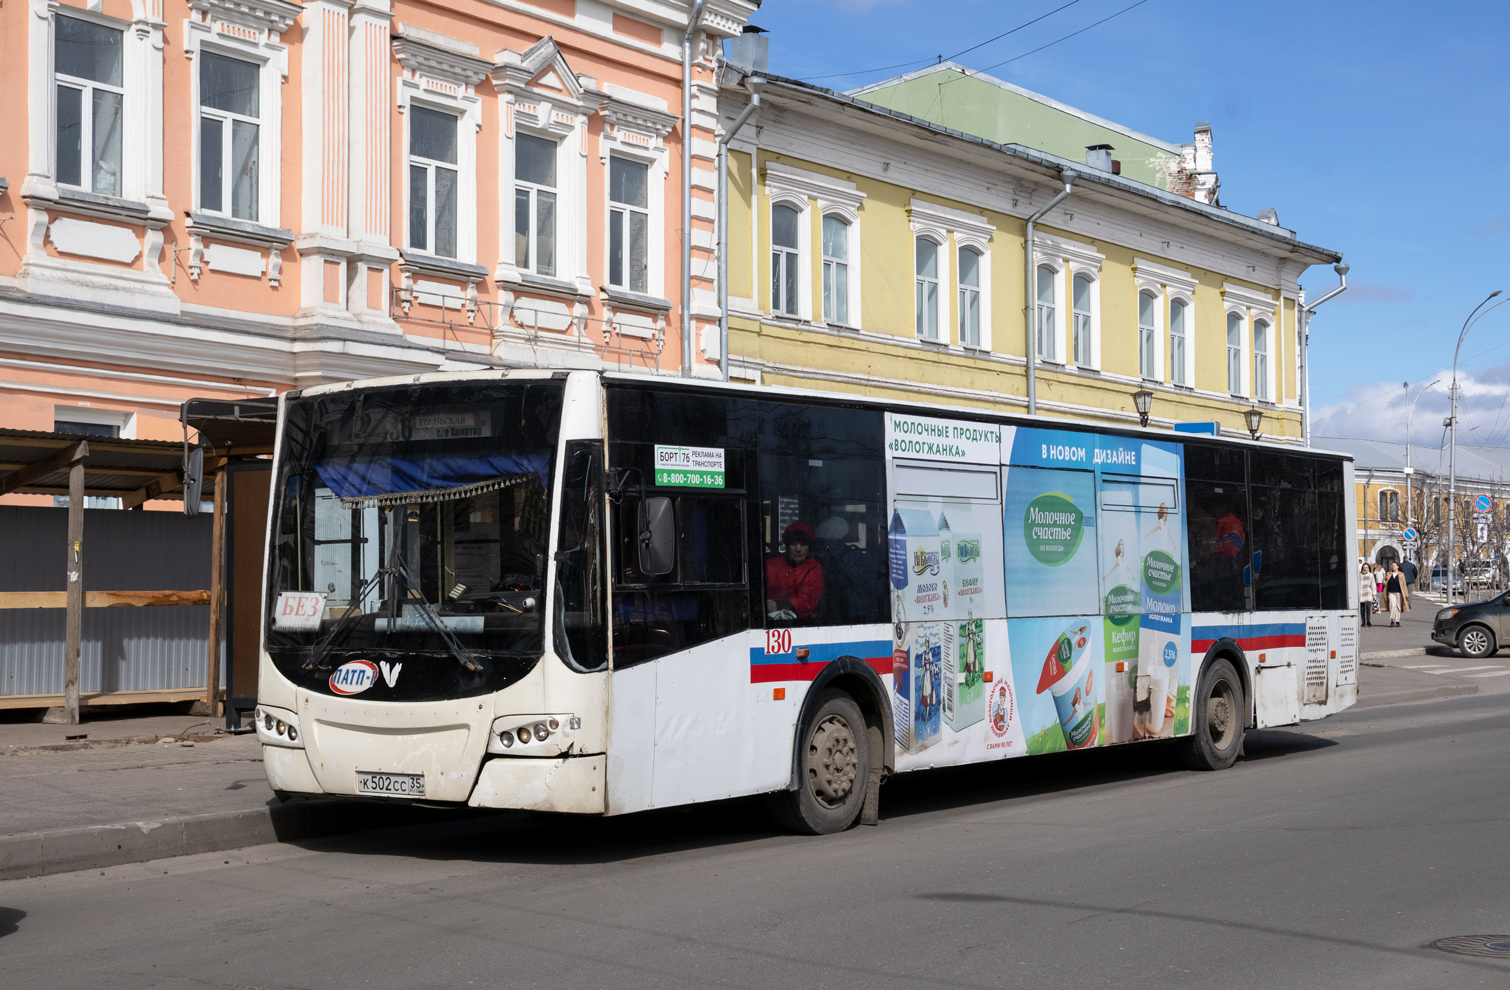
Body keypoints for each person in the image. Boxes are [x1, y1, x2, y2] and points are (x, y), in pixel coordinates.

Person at [766, 521, 824, 622]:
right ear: (787, 546)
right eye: (793, 544)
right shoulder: (770, 565)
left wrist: (777, 605)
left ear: (809, 548)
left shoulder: (814, 567)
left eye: (803, 544)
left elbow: (807, 599)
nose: (798, 549)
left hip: (802, 621)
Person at [1384, 560, 1410, 627]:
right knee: (1392, 605)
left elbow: (1404, 584)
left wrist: (1406, 593)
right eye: (1392, 565)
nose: (1393, 567)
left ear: (1397, 566)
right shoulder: (1389, 574)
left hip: (1399, 592)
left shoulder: (1401, 574)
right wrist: (1385, 582)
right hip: (1391, 592)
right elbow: (1384, 579)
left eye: (1394, 565)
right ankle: (1392, 620)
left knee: (1398, 607)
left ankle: (1397, 621)